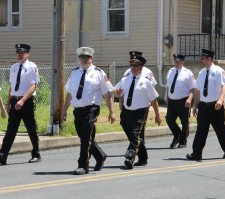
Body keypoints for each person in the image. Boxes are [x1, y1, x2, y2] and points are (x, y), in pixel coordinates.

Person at [62, 47, 116, 175]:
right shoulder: (74, 73)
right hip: (77, 110)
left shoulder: (99, 73)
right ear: (79, 59)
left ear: (91, 59)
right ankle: (100, 155)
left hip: (91, 109)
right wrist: (64, 110)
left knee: (85, 138)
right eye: (82, 57)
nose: (84, 60)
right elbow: (70, 93)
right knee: (84, 136)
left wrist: (112, 111)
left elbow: (107, 94)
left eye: (87, 57)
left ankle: (83, 165)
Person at [0, 44, 41, 165]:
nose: (19, 55)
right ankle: (3, 154)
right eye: (17, 53)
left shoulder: (31, 67)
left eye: (22, 53)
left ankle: (36, 154)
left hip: (26, 102)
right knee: (11, 129)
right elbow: (11, 87)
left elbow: (34, 86)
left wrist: (23, 100)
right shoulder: (13, 67)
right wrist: (8, 104)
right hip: (15, 101)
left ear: (27, 54)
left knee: (31, 129)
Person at [114, 54, 161, 169]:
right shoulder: (125, 79)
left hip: (140, 111)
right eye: (132, 65)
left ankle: (130, 157)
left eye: (136, 65)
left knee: (135, 134)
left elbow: (154, 99)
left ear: (141, 67)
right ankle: (143, 157)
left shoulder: (146, 82)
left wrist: (157, 114)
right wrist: (117, 93)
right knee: (132, 133)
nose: (133, 67)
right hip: (126, 111)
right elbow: (116, 90)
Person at [186, 49, 225, 162]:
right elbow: (198, 91)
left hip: (216, 106)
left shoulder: (218, 71)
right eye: (201, 58)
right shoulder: (202, 73)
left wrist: (220, 100)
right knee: (201, 131)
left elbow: (223, 86)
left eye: (203, 58)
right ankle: (196, 153)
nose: (201, 60)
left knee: (221, 129)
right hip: (203, 106)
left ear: (209, 59)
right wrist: (195, 105)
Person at [165, 54, 195, 149]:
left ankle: (183, 141)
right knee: (169, 119)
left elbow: (192, 88)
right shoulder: (170, 71)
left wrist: (189, 99)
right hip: (172, 100)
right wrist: (166, 97)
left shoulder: (188, 73)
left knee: (184, 122)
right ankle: (178, 135)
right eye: (175, 61)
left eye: (178, 61)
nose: (176, 63)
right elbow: (168, 86)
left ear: (183, 62)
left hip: (183, 101)